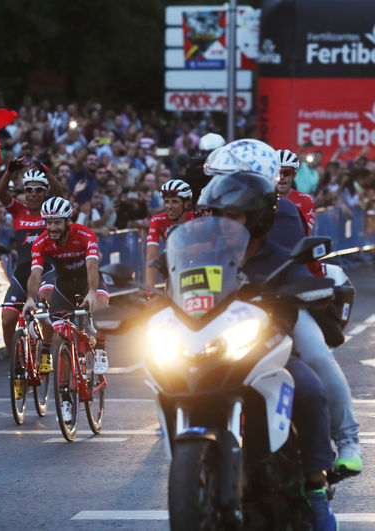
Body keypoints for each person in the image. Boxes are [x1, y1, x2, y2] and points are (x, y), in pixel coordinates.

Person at [197, 170, 338, 531]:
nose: (225, 224)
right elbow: (179, 295)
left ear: (257, 218)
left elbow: (299, 301)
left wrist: (302, 294)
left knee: (308, 387)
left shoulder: (281, 258)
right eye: (220, 216)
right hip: (212, 354)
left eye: (234, 216)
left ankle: (315, 485)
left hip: (267, 353)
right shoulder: (204, 255)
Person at [23, 197, 110, 422]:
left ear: (68, 221)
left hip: (88, 281)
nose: (52, 227)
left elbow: (92, 265)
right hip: (64, 285)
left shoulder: (84, 234)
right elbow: (35, 274)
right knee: (63, 335)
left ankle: (100, 347)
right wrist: (31, 299)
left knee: (101, 308)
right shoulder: (41, 241)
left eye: (57, 223)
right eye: (48, 222)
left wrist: (91, 292)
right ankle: (64, 396)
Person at [0, 161, 63, 373]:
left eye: (38, 190)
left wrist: (47, 172)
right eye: (29, 190)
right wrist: (9, 171)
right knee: (7, 318)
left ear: (45, 193)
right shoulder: (18, 210)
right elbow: (0, 193)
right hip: (23, 272)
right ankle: (14, 357)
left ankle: (45, 349)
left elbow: (60, 195)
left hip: (47, 270)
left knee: (45, 301)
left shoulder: (50, 213)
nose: (33, 194)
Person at [145, 179, 195, 285]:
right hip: (175, 273)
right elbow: (151, 257)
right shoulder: (157, 220)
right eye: (167, 201)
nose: (169, 206)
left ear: (186, 204)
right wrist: (149, 292)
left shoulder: (198, 218)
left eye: (175, 201)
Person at [276, 149, 315, 236]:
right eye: (277, 172)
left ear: (294, 175)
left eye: (287, 173)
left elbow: (307, 235)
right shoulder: (262, 198)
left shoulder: (305, 200)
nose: (281, 177)